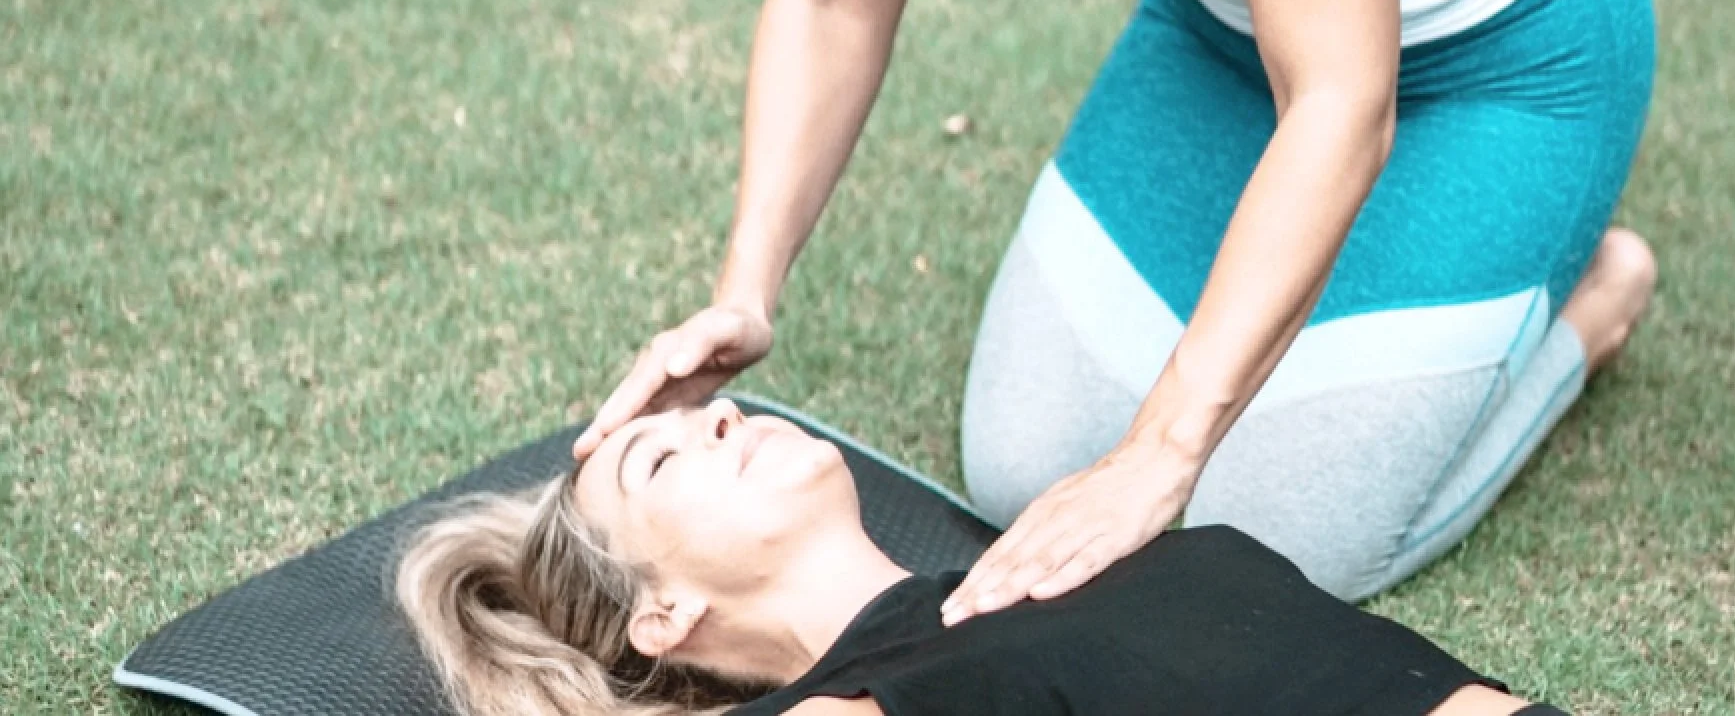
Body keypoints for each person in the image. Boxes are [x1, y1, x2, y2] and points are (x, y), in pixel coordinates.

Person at [576, 0, 1660, 607]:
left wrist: (1162, 447)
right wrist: (745, 284)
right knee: (1021, 463)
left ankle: (1589, 303)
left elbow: (1341, 94)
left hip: (1508, 59)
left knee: (1277, 535)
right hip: (1224, 47)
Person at [401, 400, 1574, 716]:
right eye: (657, 465)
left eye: (710, 411)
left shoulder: (1050, 550)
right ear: (662, 614)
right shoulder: (846, 698)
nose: (717, 419)